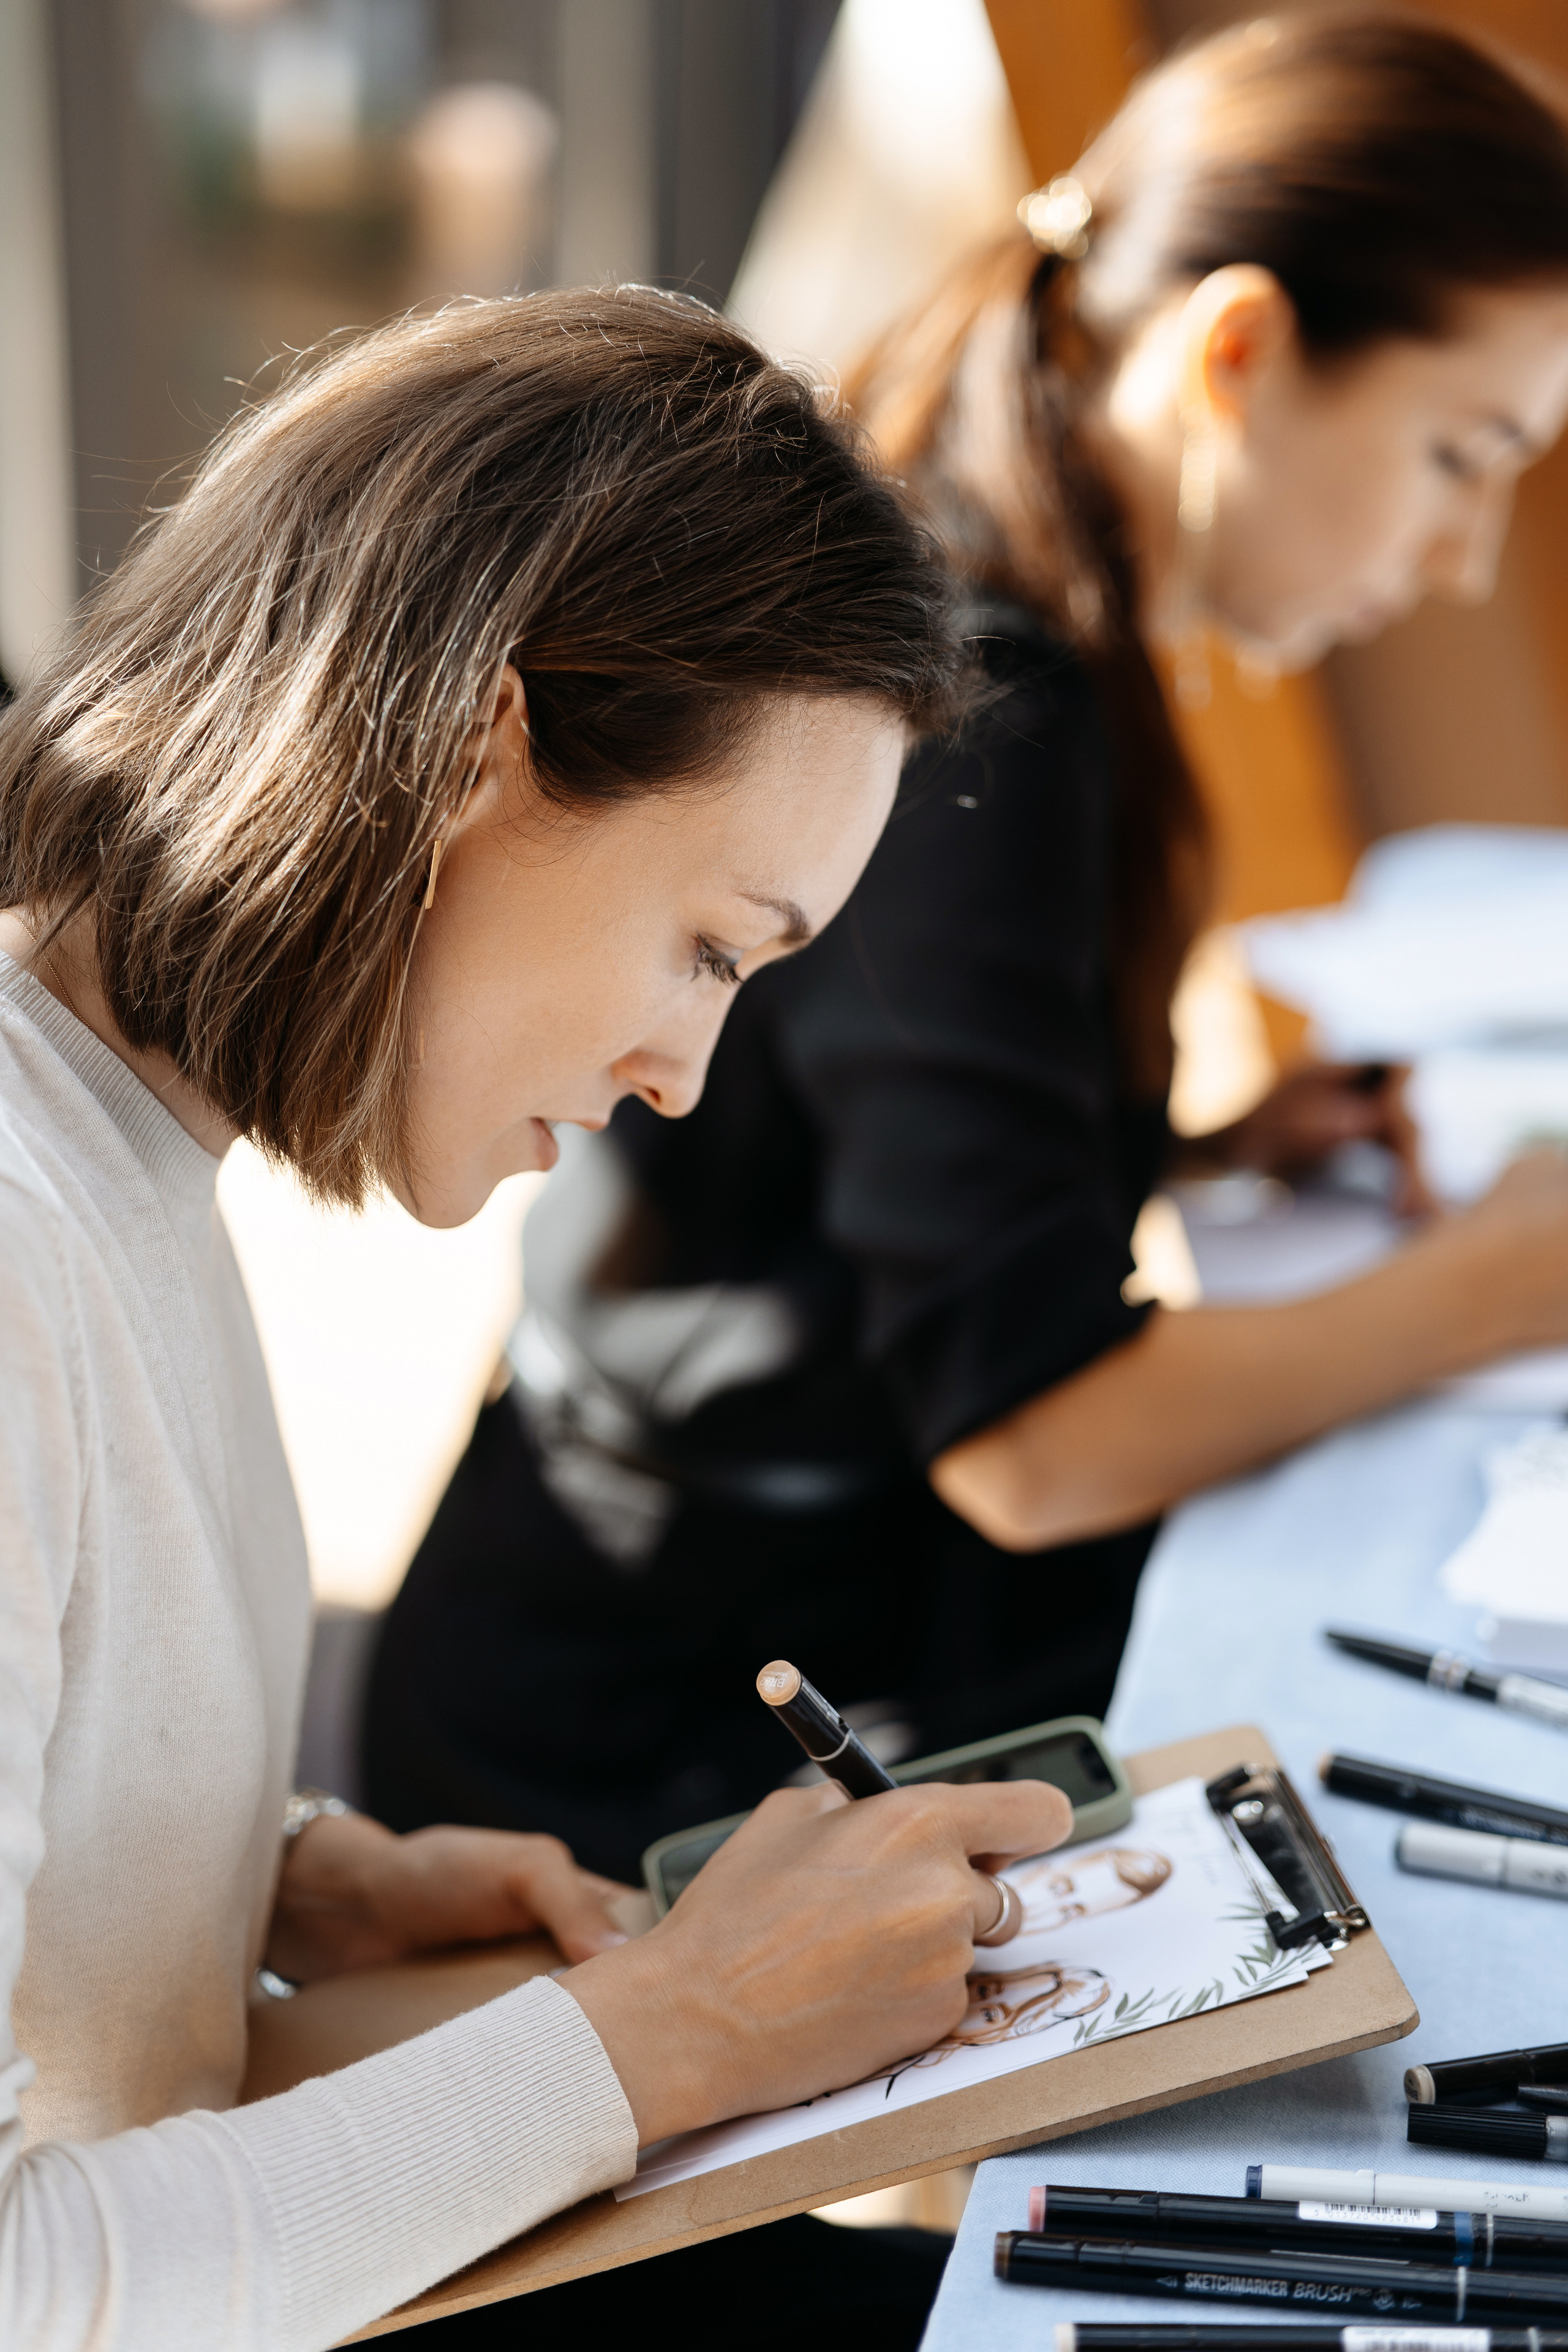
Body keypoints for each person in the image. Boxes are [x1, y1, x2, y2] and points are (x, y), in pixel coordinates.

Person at [366, 12, 1568, 1887]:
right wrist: (1484, 1290)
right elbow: (1032, 1442)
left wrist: (1190, 1147)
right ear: (1241, 350)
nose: (1463, 558)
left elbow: (851, 1167)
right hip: (648, 1724)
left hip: (735, 1586)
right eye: (1458, 454)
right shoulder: (971, 711)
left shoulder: (1006, 594)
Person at [0, 286, 1076, 2351]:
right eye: (712, 948)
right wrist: (677, 2031)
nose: (684, 1074)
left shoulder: (124, 1159)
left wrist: (255, 1872)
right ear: (472, 748)